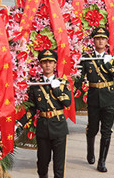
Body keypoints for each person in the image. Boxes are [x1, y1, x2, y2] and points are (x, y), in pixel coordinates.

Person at [82, 27, 114, 173]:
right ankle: (90, 151)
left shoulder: (111, 58)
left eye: (103, 39)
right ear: (94, 41)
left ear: (106, 42)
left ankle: (102, 160)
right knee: (93, 128)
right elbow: (80, 76)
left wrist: (108, 63)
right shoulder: (87, 58)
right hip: (93, 97)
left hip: (109, 97)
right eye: (98, 38)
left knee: (106, 130)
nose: (100, 41)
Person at [28, 49, 71, 178]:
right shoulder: (35, 85)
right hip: (43, 127)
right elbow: (31, 108)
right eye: (44, 62)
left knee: (59, 165)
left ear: (55, 65)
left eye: (50, 62)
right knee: (42, 163)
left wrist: (56, 88)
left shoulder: (62, 83)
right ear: (41, 65)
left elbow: (67, 103)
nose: (47, 65)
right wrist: (19, 122)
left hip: (58, 127)